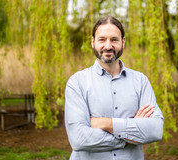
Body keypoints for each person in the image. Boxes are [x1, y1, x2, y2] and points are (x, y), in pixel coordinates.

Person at [65, 16, 164, 160]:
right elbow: (79, 139)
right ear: (93, 42)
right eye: (102, 39)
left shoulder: (140, 81)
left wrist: (106, 124)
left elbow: (155, 130)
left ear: (123, 42)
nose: (108, 46)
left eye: (114, 40)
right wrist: (131, 135)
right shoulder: (77, 82)